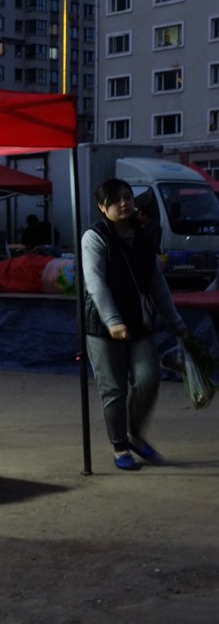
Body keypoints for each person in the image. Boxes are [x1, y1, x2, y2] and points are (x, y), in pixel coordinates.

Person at [82, 177, 187, 471]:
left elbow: (156, 282)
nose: (124, 203)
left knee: (148, 379)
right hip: (103, 327)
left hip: (139, 322)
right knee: (114, 389)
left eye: (128, 197)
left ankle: (135, 436)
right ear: (102, 207)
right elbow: (95, 283)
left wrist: (176, 322)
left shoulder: (144, 235)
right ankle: (120, 447)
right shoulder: (95, 237)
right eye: (116, 200)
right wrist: (113, 321)